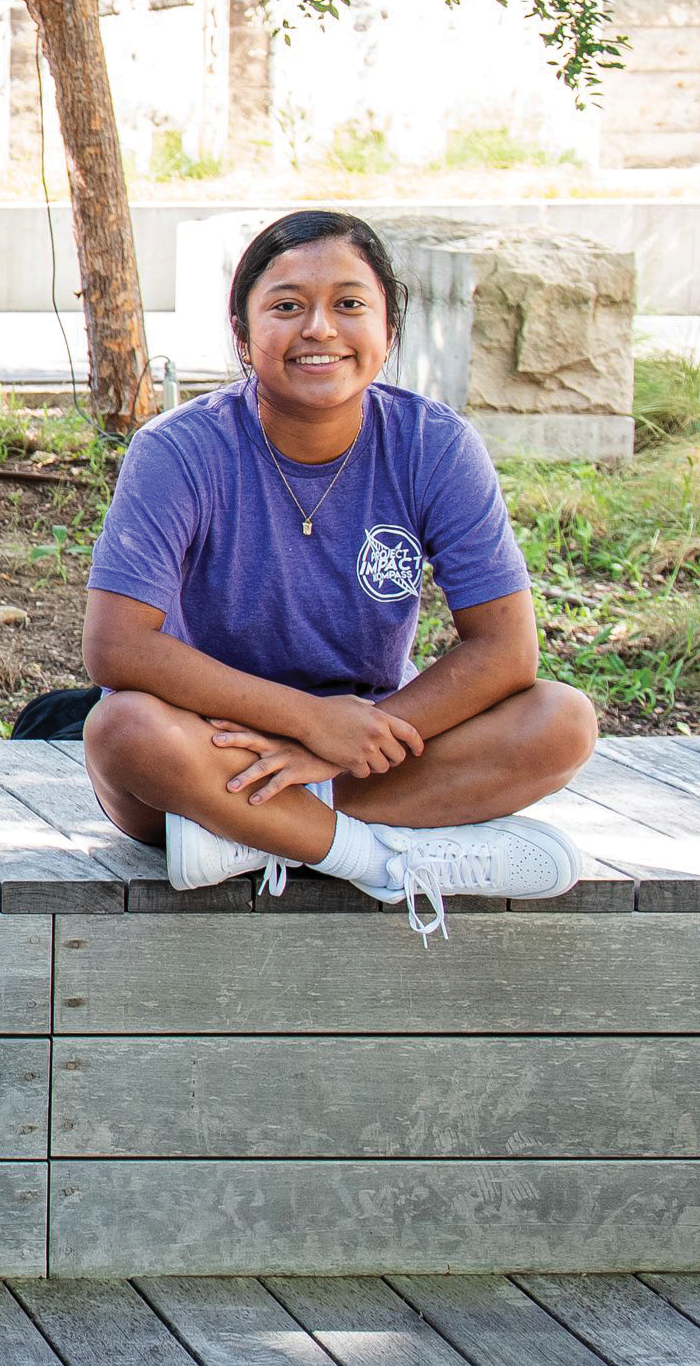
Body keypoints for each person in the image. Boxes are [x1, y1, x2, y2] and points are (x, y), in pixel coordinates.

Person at [80, 208, 599, 930]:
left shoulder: (434, 445)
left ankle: (249, 836)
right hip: (207, 747)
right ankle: (383, 864)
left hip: (362, 751)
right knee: (122, 731)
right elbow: (118, 647)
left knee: (561, 721)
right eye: (286, 306)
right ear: (242, 335)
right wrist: (309, 723)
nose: (320, 328)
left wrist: (345, 741)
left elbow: (505, 651)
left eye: (350, 305)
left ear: (388, 333)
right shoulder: (178, 450)